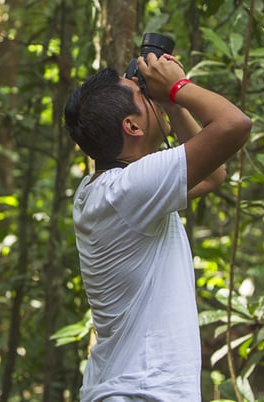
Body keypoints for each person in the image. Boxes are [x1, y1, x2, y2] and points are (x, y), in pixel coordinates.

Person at [64, 49, 251, 401]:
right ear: (131, 126)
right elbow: (234, 124)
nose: (148, 91)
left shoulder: (102, 190)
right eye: (141, 93)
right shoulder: (129, 189)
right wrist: (178, 87)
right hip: (142, 392)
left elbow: (213, 175)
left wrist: (168, 102)